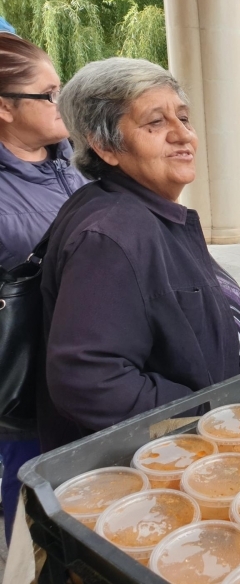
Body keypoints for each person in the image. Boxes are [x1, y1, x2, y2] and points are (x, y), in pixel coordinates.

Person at [39, 57, 240, 453]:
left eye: (183, 118)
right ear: (104, 146)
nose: (182, 135)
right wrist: (203, 413)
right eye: (155, 123)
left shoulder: (145, 211)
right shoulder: (113, 233)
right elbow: (88, 380)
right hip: (152, 467)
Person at [0, 33, 88, 542]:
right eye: (47, 93)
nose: (61, 103)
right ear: (5, 107)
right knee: (32, 502)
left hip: (87, 363)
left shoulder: (76, 159)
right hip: (27, 375)